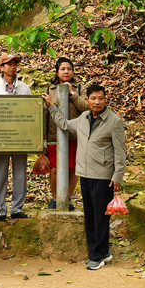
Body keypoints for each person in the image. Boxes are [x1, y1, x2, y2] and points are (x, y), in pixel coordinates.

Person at [43, 84, 126, 270]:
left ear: (106, 100)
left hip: (104, 176)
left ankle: (96, 256)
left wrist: (117, 176)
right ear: (87, 100)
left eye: (101, 98)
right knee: (90, 215)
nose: (97, 102)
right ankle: (103, 251)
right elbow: (64, 124)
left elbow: (120, 152)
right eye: (93, 98)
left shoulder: (114, 121)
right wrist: (51, 106)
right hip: (85, 175)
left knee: (100, 217)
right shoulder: (83, 118)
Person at [0, 53, 32, 221]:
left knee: (20, 172)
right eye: (8, 64)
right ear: (1, 67)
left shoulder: (24, 88)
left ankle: (17, 208)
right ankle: (0, 209)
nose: (12, 66)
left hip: (20, 136)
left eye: (15, 64)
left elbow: (30, 112)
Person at [45, 57, 89, 210]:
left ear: (73, 71)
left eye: (69, 69)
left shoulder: (80, 88)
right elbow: (45, 114)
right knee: (55, 169)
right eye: (62, 69)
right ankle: (55, 198)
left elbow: (86, 108)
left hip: (75, 135)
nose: (66, 71)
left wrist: (72, 93)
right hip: (53, 136)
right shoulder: (49, 90)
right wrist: (43, 139)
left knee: (73, 168)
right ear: (57, 72)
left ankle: (68, 198)